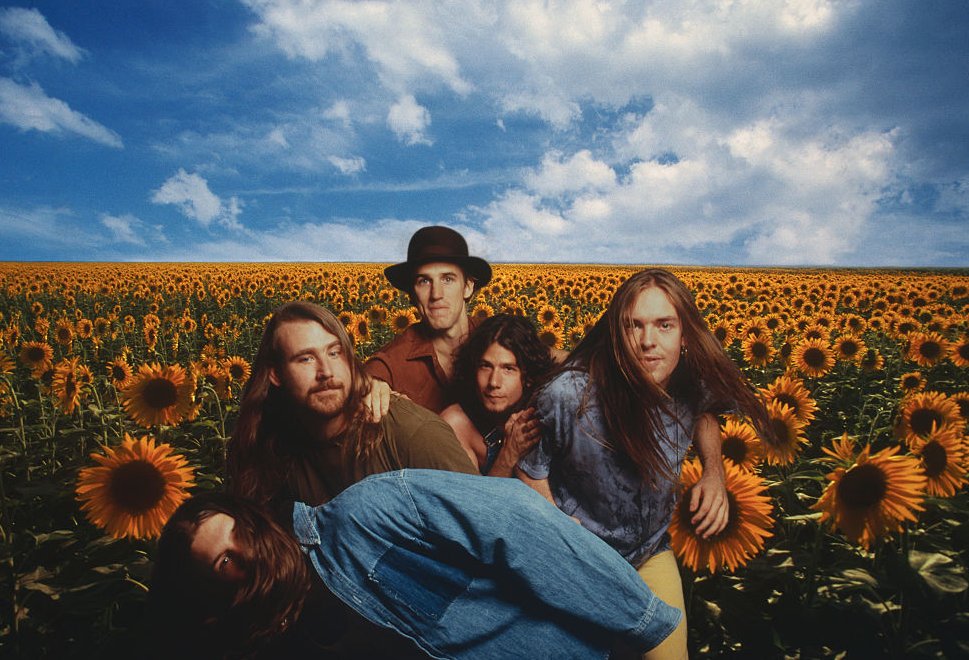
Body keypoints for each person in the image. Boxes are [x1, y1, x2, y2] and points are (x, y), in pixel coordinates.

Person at [148, 469, 682, 659]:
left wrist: (640, 625)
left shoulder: (367, 513)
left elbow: (515, 520)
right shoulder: (275, 643)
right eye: (224, 563)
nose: (247, 554)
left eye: (241, 533)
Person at [517, 268, 772, 660]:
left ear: (684, 334)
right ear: (616, 334)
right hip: (583, 558)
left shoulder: (691, 379)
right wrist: (555, 529)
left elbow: (705, 412)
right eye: (634, 326)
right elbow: (530, 467)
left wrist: (713, 473)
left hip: (649, 552)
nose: (648, 342)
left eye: (664, 325)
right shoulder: (567, 395)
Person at [227, 301, 476, 509]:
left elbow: (488, 528)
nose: (326, 371)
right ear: (276, 376)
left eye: (334, 353)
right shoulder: (272, 446)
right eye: (306, 359)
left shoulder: (412, 435)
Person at [365, 225, 493, 413]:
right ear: (411, 294)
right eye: (424, 281)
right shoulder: (392, 364)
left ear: (467, 287)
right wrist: (368, 387)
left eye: (447, 279)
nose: (436, 294)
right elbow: (365, 383)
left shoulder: (496, 335)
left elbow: (545, 357)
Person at [439, 314, 553, 476]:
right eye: (486, 366)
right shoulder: (456, 424)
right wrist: (509, 454)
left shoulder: (545, 407)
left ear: (528, 376)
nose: (494, 382)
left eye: (508, 369)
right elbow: (470, 500)